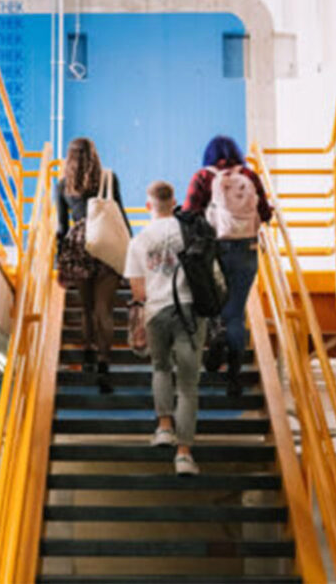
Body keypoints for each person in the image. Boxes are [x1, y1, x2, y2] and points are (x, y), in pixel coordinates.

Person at [125, 180, 205, 476]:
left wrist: (141, 323)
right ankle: (184, 455)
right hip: (189, 312)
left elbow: (138, 291)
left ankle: (164, 428)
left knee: (160, 368)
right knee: (187, 386)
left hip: (156, 311)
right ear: (174, 203)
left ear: (149, 205)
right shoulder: (190, 232)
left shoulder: (139, 241)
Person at [184, 136, 271, 397]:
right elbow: (265, 213)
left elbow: (189, 212)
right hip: (247, 250)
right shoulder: (250, 175)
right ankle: (234, 377)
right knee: (235, 313)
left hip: (214, 250)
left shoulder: (203, 177)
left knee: (212, 303)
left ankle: (216, 337)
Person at [56, 137, 131, 394]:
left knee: (86, 308)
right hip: (106, 243)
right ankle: (104, 365)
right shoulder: (109, 179)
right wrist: (129, 250)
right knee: (104, 310)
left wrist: (60, 260)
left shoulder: (63, 185)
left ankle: (87, 353)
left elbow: (60, 228)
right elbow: (119, 216)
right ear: (95, 155)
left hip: (79, 246)